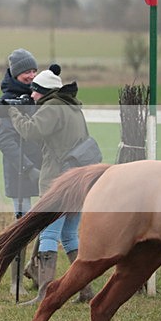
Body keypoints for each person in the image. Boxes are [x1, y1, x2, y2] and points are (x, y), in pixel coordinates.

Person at [7, 65, 95, 305]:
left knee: (49, 233)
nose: (32, 95)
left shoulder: (53, 107)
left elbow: (30, 132)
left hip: (60, 181)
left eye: (36, 91)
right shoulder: (70, 105)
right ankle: (86, 291)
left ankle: (44, 293)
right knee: (69, 235)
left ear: (45, 92)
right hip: (79, 181)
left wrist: (13, 112)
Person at [0, 49, 43, 297]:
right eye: (26, 71)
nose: (31, 75)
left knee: (46, 224)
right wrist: (27, 168)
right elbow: (5, 142)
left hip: (42, 171)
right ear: (16, 74)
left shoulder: (38, 95)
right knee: (22, 229)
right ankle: (16, 283)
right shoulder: (7, 101)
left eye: (33, 70)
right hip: (20, 174)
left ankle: (34, 269)